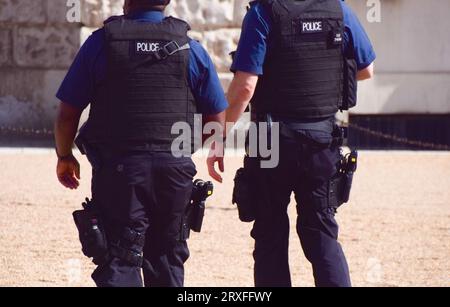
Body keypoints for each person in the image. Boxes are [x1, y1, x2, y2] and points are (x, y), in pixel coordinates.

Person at [54, 0, 227, 287]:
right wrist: (184, 150)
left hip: (120, 171)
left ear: (127, 1)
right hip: (175, 171)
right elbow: (216, 116)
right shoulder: (190, 47)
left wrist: (64, 155)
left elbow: (67, 114)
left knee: (120, 257)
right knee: (167, 259)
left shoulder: (101, 43)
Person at [208, 0, 375, 287]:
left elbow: (246, 86)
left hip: (268, 140)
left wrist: (218, 135)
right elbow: (366, 69)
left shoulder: (264, 12)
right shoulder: (338, 9)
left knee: (270, 235)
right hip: (322, 137)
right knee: (322, 235)